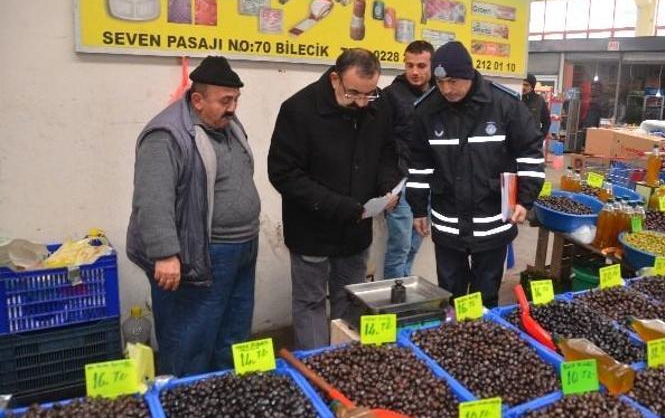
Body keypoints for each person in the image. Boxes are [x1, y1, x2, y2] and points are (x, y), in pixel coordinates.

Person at [126, 56, 261, 376]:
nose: (232, 108)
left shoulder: (227, 125)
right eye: (225, 101)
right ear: (197, 100)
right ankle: (185, 397)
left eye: (236, 100)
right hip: (198, 252)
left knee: (233, 331)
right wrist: (165, 254)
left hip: (242, 248)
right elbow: (152, 198)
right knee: (191, 336)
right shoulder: (166, 135)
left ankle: (223, 393)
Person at [268, 48, 401, 349]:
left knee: (350, 297)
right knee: (311, 302)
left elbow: (387, 154)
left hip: (356, 229)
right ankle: (316, 369)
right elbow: (284, 174)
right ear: (334, 79)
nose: (361, 102)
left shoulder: (377, 107)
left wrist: (387, 186)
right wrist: (341, 206)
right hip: (312, 228)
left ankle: (344, 361)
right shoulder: (298, 110)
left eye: (368, 94)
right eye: (353, 93)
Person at [406, 41, 544, 308]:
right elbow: (419, 164)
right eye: (441, 82)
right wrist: (418, 208)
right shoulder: (427, 110)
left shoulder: (504, 106)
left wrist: (524, 200)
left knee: (486, 295)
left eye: (454, 82)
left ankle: (485, 342)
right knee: (450, 293)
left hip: (492, 219)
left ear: (469, 74)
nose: (447, 89)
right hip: (448, 222)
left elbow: (529, 153)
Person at [381, 40, 434, 279]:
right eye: (410, 65)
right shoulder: (391, 96)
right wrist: (387, 186)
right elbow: (380, 144)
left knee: (413, 246)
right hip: (400, 184)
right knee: (399, 248)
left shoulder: (439, 95)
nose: (414, 71)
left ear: (432, 66)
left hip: (429, 184)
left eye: (421, 65)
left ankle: (403, 299)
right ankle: (392, 308)